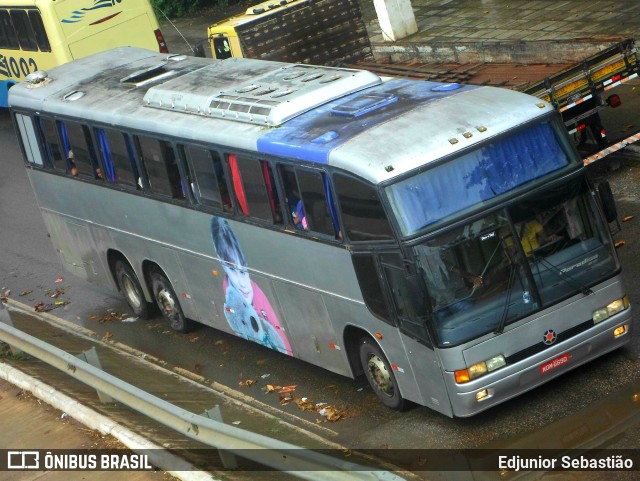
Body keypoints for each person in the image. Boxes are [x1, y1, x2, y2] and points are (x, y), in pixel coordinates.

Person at [211, 216, 292, 355]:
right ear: (222, 264)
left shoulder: (258, 295)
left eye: (243, 271)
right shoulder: (228, 294)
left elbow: (282, 341)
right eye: (233, 270)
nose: (243, 284)